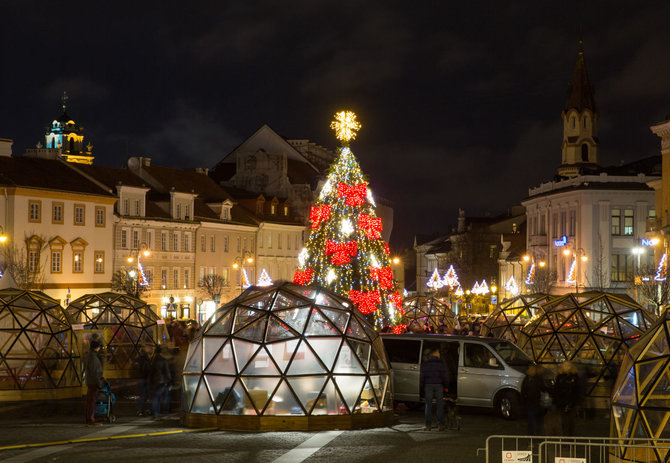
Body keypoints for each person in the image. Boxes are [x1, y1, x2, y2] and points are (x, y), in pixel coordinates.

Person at [419, 348, 450, 431]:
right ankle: (440, 425)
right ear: (435, 354)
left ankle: (428, 425)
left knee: (428, 405)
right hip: (439, 385)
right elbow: (445, 376)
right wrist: (446, 386)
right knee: (439, 405)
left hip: (428, 385)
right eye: (438, 352)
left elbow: (422, 376)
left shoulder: (426, 363)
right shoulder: (441, 364)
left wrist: (422, 386)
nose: (439, 354)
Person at [553, 361, 582, 436]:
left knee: (570, 422)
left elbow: (578, 391)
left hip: (571, 403)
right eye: (564, 365)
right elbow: (556, 390)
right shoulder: (559, 377)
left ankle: (569, 438)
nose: (565, 367)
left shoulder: (575, 377)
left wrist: (575, 403)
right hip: (562, 403)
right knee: (564, 422)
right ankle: (565, 438)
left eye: (567, 365)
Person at [521, 363, 550, 435]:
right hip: (533, 403)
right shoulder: (530, 378)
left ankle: (534, 437)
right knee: (534, 422)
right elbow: (543, 388)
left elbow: (524, 390)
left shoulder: (532, 378)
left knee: (534, 422)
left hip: (534, 403)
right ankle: (534, 437)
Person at [84, 340, 105, 427]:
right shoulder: (93, 357)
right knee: (92, 402)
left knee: (90, 402)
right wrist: (99, 383)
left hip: (90, 381)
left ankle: (89, 419)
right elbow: (95, 372)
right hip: (94, 382)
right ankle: (91, 420)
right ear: (97, 347)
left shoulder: (89, 356)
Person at [150, 345, 172, 419]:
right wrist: (169, 380)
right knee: (165, 397)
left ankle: (155, 413)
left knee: (155, 398)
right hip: (162, 381)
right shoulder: (163, 360)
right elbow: (167, 371)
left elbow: (151, 372)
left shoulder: (153, 360)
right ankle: (165, 413)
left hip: (154, 381)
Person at [134, 347, 151, 416]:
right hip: (146, 379)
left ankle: (140, 410)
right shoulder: (147, 359)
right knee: (148, 395)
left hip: (140, 379)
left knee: (141, 395)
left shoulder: (137, 360)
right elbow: (149, 370)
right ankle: (148, 409)